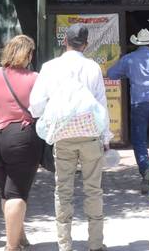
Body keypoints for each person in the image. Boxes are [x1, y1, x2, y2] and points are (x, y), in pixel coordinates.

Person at [30, 24, 112, 251]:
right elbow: (101, 103)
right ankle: (95, 244)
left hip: (63, 137)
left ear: (64, 40)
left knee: (63, 190)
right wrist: (106, 137)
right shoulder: (92, 67)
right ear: (85, 44)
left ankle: (65, 245)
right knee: (93, 190)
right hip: (90, 136)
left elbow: (36, 106)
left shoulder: (49, 67)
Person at [0, 35, 42, 251]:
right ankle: (11, 246)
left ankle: (20, 237)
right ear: (28, 54)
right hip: (20, 137)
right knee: (17, 194)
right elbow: (41, 109)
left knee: (6, 192)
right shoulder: (34, 78)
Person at [107, 28, 149, 194]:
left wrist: (127, 72)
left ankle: (146, 171)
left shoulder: (129, 59)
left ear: (136, 43)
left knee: (139, 140)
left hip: (138, 104)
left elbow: (111, 74)